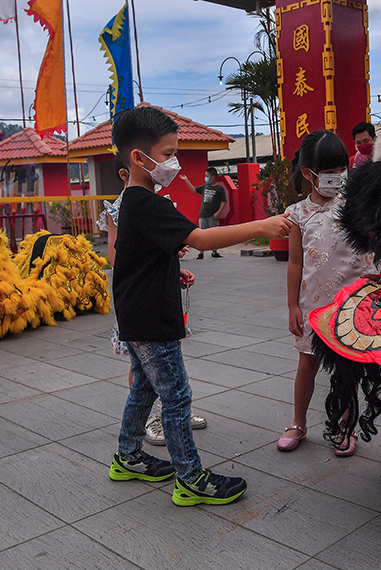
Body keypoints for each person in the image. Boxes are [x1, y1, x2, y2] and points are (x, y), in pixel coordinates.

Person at [108, 106, 292, 506]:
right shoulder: (148, 203)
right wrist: (263, 226)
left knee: (143, 388)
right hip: (152, 320)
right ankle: (191, 478)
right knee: (175, 395)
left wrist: (169, 271)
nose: (173, 162)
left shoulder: (132, 203)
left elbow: (131, 256)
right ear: (139, 158)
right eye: (168, 152)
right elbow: (202, 240)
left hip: (135, 313)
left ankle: (127, 456)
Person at [96, 155, 208, 446]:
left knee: (165, 368)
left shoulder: (157, 203)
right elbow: (117, 256)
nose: (170, 163)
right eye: (163, 155)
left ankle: (172, 412)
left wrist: (171, 262)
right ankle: (154, 419)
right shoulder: (120, 208)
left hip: (159, 296)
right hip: (139, 299)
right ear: (126, 170)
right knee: (143, 368)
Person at [277, 129, 375, 456]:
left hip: (351, 306)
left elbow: (370, 249)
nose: (338, 178)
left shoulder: (355, 206)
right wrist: (292, 305)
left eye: (341, 171)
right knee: (307, 365)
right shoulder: (297, 215)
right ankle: (298, 422)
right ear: (309, 174)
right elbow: (294, 264)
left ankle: (347, 424)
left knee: (349, 369)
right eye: (329, 173)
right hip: (312, 306)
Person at [180, 167, 226, 259]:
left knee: (214, 234)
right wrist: (186, 180)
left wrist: (218, 213)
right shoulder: (205, 187)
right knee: (202, 234)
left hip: (213, 215)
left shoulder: (219, 189)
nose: (205, 178)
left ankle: (214, 252)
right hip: (203, 215)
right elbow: (194, 190)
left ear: (212, 178)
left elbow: (224, 201)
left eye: (207, 176)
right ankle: (201, 253)